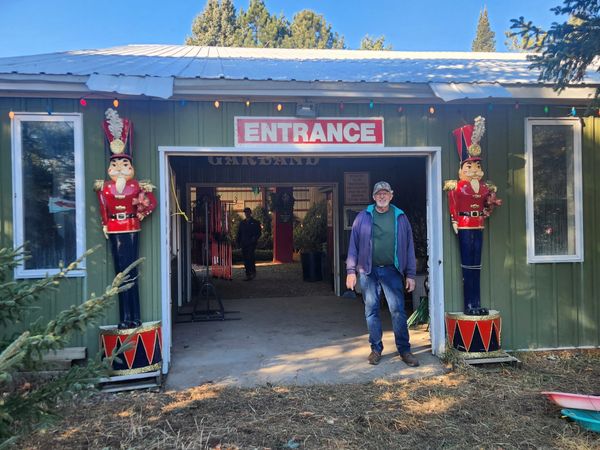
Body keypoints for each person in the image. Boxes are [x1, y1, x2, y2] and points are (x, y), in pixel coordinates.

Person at [95, 108, 157, 329]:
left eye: (124, 164)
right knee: (120, 274)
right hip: (114, 227)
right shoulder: (105, 187)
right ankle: (124, 317)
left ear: (130, 166)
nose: (119, 168)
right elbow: (103, 206)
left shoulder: (137, 185)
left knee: (132, 271)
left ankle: (135, 315)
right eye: (115, 164)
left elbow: (151, 203)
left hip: (131, 225)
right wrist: (105, 223)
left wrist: (140, 213)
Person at [346, 181, 419, 367]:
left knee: (397, 310)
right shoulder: (363, 217)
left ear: (391, 195)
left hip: (392, 270)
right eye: (379, 193)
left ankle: (404, 350)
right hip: (368, 271)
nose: (382, 196)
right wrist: (351, 271)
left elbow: (409, 246)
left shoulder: (400, 217)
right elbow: (353, 246)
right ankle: (376, 349)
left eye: (385, 193)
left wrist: (410, 274)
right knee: (371, 311)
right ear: (373, 197)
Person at [445, 117, 501, 316]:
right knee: (467, 264)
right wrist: (454, 219)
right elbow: (453, 204)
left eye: (477, 166)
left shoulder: (485, 187)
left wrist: (491, 203)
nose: (474, 171)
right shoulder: (457, 187)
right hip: (465, 223)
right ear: (462, 169)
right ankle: (469, 304)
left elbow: (488, 202)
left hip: (479, 224)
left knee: (477, 264)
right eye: (470, 167)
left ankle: (476, 302)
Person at [237, 207, 262, 281]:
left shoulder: (255, 222)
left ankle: (253, 271)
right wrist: (238, 242)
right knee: (245, 259)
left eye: (247, 212)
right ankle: (248, 274)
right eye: (245, 212)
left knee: (250, 257)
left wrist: (255, 238)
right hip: (244, 243)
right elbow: (239, 233)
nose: (246, 213)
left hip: (251, 243)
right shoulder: (242, 223)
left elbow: (259, 232)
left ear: (250, 213)